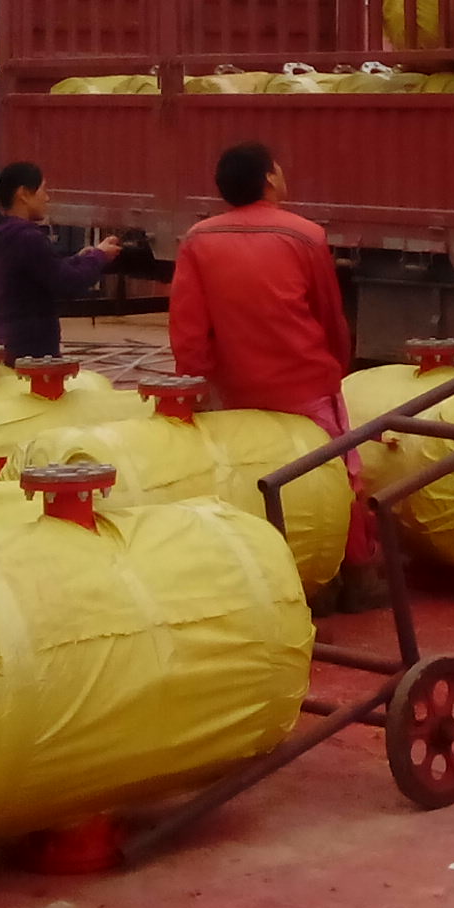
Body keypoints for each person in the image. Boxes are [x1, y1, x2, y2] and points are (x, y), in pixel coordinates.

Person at [166, 141, 383, 599]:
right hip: (304, 383)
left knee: (248, 478)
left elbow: (189, 326)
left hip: (237, 387)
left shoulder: (198, 240)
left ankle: (275, 575)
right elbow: (328, 314)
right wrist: (335, 366)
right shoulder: (305, 235)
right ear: (268, 178)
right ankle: (358, 574)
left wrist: (197, 384)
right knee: (339, 473)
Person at [0, 161, 120, 362]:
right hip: (30, 354)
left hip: (5, 347)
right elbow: (68, 282)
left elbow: (42, 271)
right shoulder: (26, 237)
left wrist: (80, 259)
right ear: (24, 194)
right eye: (43, 190)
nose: (47, 197)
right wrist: (99, 256)